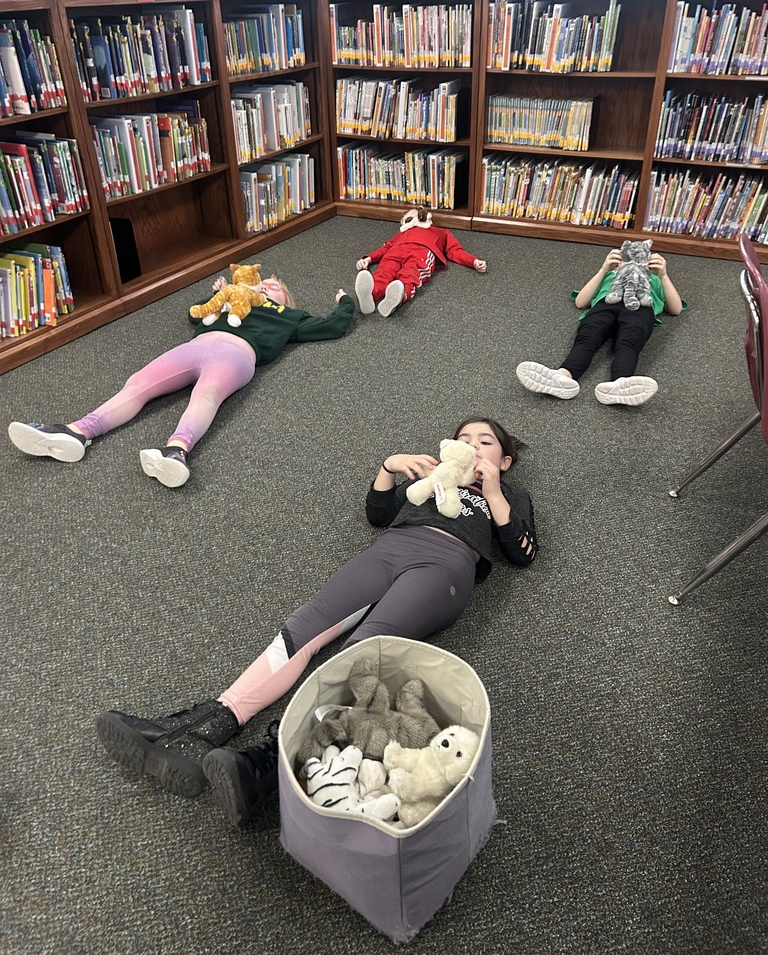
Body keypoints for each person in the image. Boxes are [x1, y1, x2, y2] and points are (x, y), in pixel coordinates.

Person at [95, 417, 538, 827]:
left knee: (364, 649)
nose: (471, 447)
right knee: (305, 625)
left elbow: (523, 553)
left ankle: (271, 766)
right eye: (462, 440)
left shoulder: (509, 494)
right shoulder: (428, 476)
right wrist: (390, 466)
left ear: (504, 460)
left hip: (446, 564)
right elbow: (378, 515)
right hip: (390, 549)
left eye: (485, 443)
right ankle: (205, 727)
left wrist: (494, 491)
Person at [7, 274, 354, 488]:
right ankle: (78, 431)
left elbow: (332, 326)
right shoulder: (228, 305)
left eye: (274, 286)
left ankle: (177, 451)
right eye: (260, 284)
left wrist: (344, 302)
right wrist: (215, 295)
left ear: (286, 299)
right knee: (138, 383)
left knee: (206, 396)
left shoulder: (290, 317)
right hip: (196, 346)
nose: (265, 286)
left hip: (236, 354)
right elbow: (195, 314)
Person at [516, 247, 684, 407]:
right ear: (617, 264)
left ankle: (620, 383)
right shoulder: (610, 275)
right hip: (607, 304)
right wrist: (604, 269)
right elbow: (581, 301)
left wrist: (663, 275)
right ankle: (563, 376)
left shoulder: (653, 279)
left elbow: (675, 309)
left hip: (639, 305)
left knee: (629, 342)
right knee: (587, 338)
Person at [354, 206, 488, 317]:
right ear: (404, 224)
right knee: (383, 272)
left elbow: (455, 250)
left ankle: (398, 296)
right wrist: (369, 258)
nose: (414, 218)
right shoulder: (401, 233)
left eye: (417, 215)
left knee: (411, 274)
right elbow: (386, 247)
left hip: (422, 251)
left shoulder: (440, 232)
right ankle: (370, 295)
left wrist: (473, 261)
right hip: (395, 251)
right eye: (409, 218)